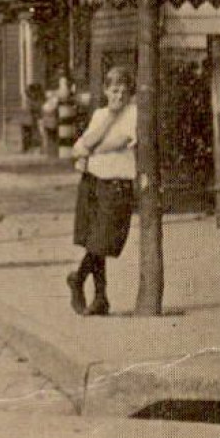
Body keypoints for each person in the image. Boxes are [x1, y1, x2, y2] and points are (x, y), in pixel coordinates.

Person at [66, 66, 138, 317]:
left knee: (103, 241)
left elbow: (118, 142)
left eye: (124, 91)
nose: (119, 96)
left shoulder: (133, 114)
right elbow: (80, 145)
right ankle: (100, 297)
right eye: (114, 90)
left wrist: (90, 150)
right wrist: (108, 118)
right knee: (93, 239)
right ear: (106, 90)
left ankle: (78, 277)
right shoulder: (100, 114)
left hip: (117, 184)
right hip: (93, 182)